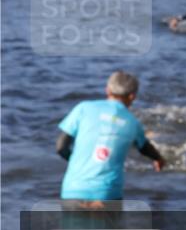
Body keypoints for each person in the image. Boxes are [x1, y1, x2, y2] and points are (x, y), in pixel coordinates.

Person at [56, 71, 165, 206]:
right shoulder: (132, 123)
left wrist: (74, 162)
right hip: (107, 195)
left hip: (73, 192)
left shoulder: (83, 108)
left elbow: (61, 147)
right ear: (132, 97)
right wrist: (158, 159)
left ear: (107, 90)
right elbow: (144, 147)